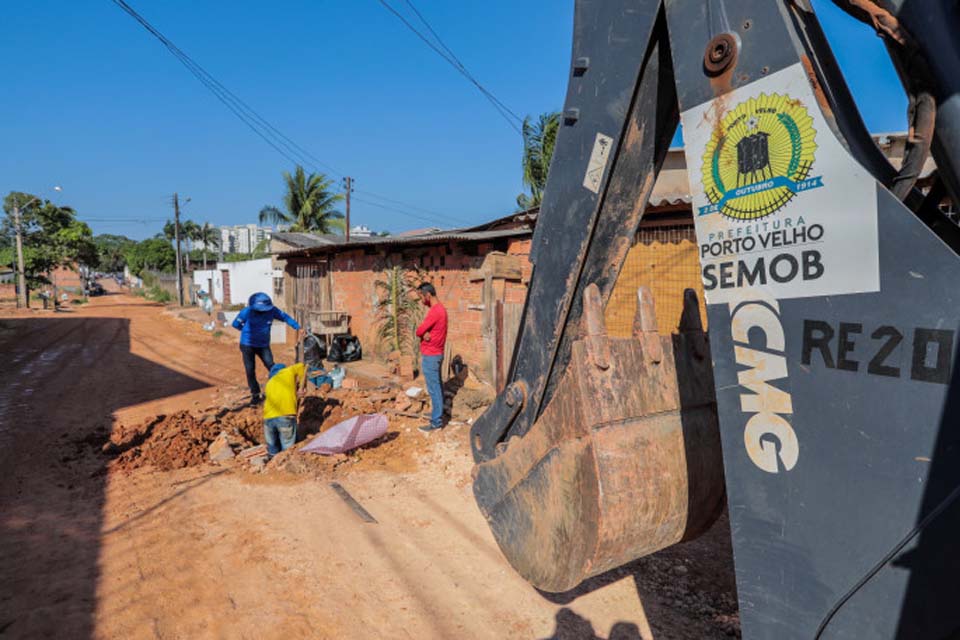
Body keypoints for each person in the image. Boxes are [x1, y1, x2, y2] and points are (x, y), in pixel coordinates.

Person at [231, 292, 302, 405]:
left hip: (263, 345)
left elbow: (285, 317)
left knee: (272, 366)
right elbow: (236, 324)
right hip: (247, 345)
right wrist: (248, 332)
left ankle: (282, 388)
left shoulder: (272, 311)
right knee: (250, 370)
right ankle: (255, 395)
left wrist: (297, 326)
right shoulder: (247, 312)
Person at [415, 282, 448, 432]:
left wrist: (423, 332)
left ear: (427, 295)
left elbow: (419, 330)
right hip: (436, 354)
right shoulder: (440, 309)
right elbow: (425, 331)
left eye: (421, 296)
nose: (421, 300)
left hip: (431, 356)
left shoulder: (435, 311)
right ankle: (437, 413)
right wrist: (425, 333)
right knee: (437, 387)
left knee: (434, 389)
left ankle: (436, 422)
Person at [262, 362, 307, 457]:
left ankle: (271, 465)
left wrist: (296, 393)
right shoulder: (288, 371)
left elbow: (280, 396)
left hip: (268, 418)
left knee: (272, 446)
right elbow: (302, 365)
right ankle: (283, 466)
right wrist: (303, 387)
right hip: (285, 416)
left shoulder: (269, 383)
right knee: (287, 449)